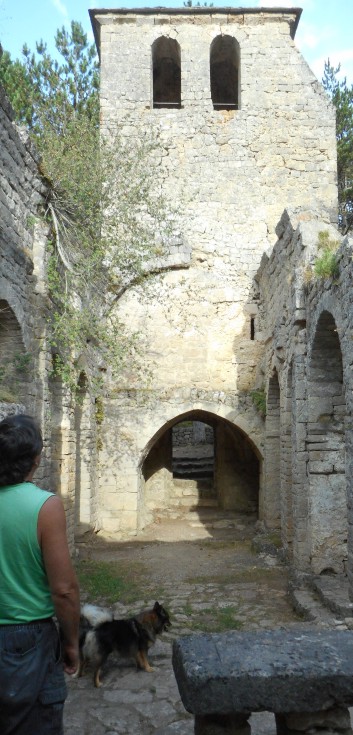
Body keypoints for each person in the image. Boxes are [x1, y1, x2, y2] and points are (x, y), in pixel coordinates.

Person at [0, 414, 80, 735]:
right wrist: (71, 642)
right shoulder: (44, 507)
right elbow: (64, 590)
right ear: (35, 460)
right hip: (26, 641)